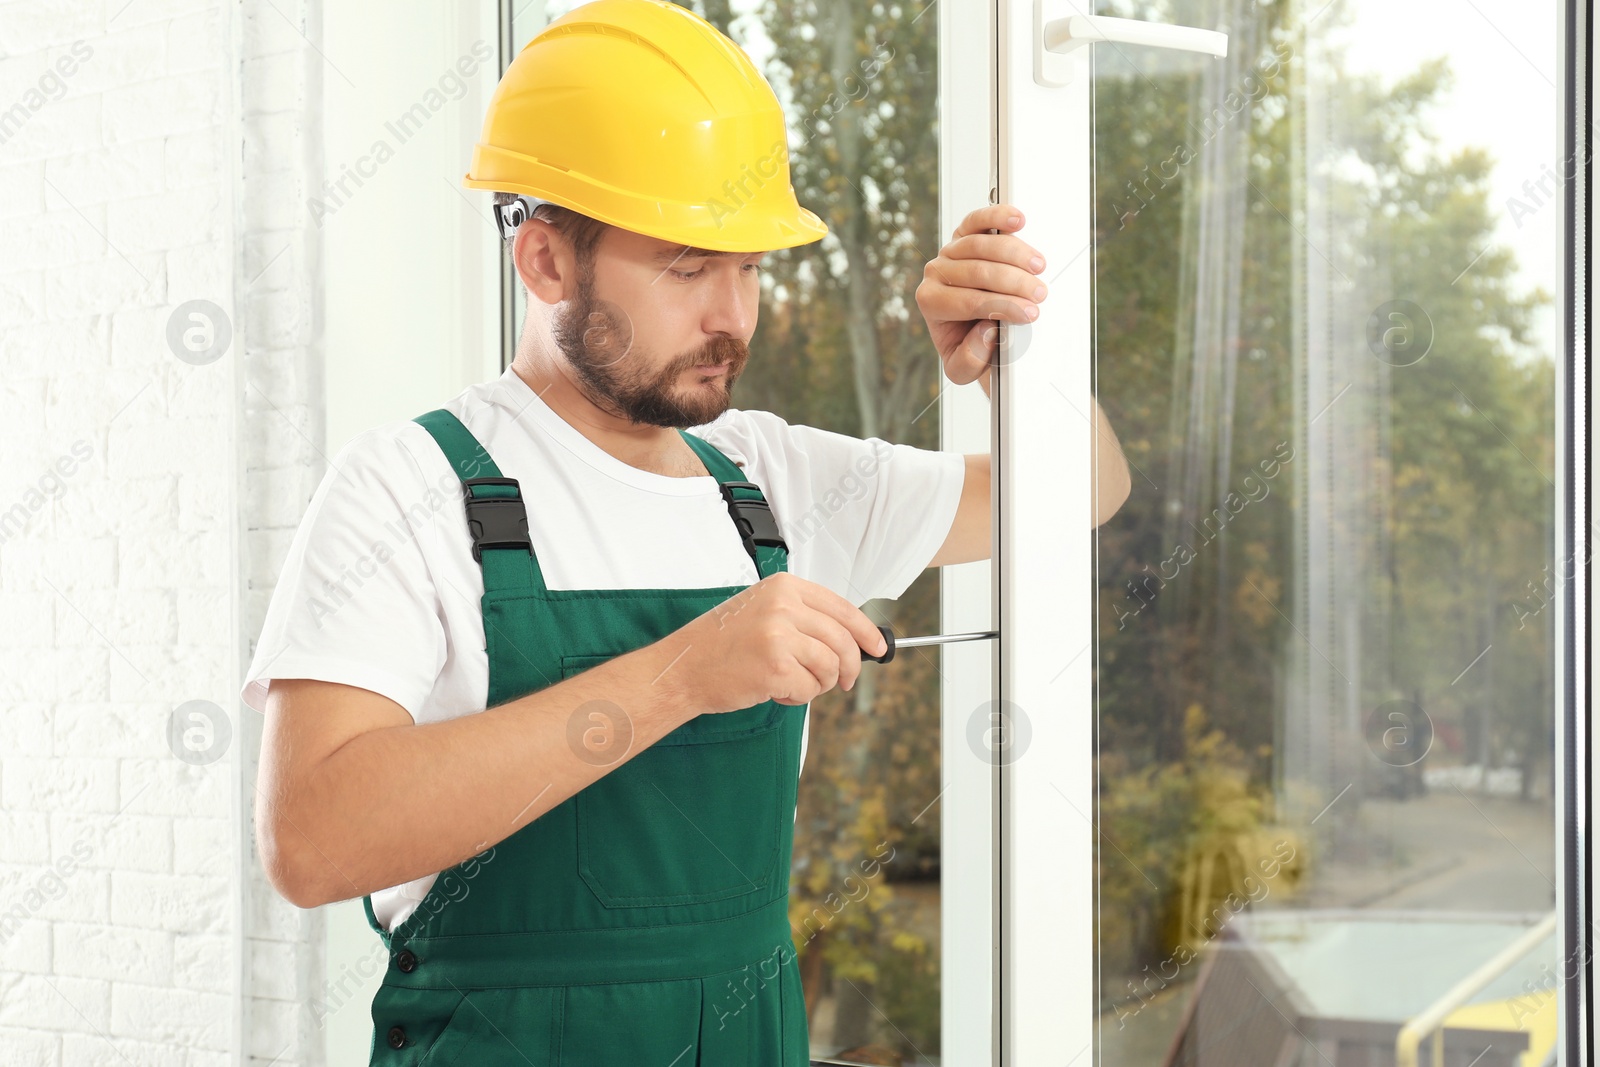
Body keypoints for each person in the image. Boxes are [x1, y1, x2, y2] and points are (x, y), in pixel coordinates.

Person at [245, 0, 1130, 1063]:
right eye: (685, 266)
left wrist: (1010, 367)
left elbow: (1083, 486)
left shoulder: (771, 480)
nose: (733, 315)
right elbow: (309, 837)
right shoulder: (409, 487)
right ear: (546, 263)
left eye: (749, 266)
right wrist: (683, 673)